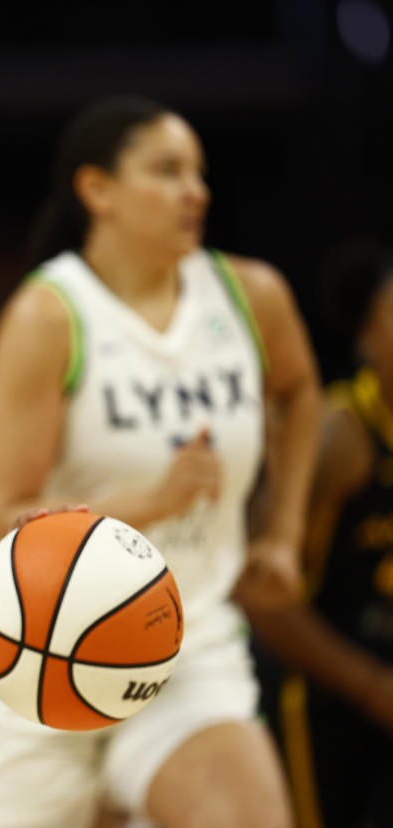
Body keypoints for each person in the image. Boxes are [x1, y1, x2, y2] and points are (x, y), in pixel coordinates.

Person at [0, 96, 320, 828]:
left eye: (200, 174)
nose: (195, 191)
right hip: (31, 653)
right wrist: (151, 502)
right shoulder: (49, 316)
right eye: (168, 171)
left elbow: (301, 394)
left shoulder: (250, 296)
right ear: (97, 190)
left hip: (181, 643)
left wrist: (283, 531)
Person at [234, 239, 393, 828]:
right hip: (324, 705)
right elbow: (257, 594)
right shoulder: (341, 438)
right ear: (366, 338)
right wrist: (372, 685)